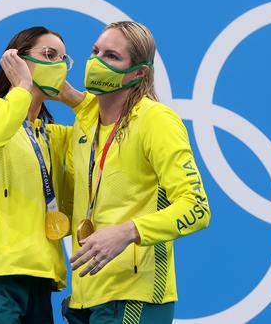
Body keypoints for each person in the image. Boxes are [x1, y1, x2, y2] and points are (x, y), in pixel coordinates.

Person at [61, 21, 212, 323]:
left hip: (135, 295)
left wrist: (129, 232)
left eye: (111, 57)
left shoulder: (156, 120)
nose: (95, 62)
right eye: (94, 51)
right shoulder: (85, 125)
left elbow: (197, 208)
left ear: (139, 72)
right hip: (85, 297)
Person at [0, 26, 84, 324]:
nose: (58, 65)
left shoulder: (55, 136)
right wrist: (22, 91)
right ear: (18, 61)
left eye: (64, 59)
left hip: (42, 279)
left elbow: (109, 131)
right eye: (49, 55)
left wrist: (75, 99)